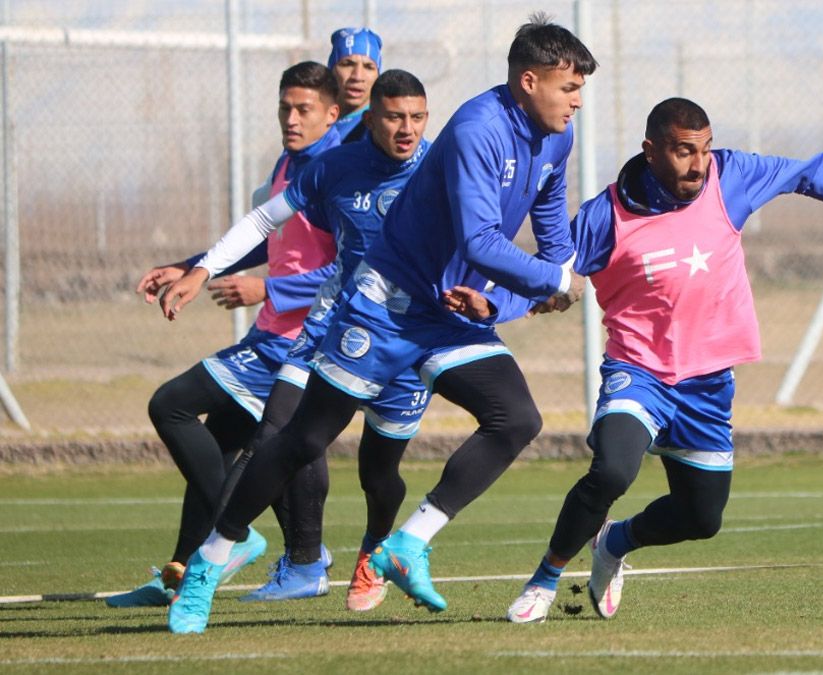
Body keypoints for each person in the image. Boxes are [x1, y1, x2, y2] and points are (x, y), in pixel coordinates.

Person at [158, 14, 597, 634]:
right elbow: (478, 239)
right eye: (568, 89)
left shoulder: (555, 136)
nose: (577, 102)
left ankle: (406, 544)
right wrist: (550, 283)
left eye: (580, 90)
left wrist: (555, 275)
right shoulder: (477, 129)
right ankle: (209, 562)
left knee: (516, 418)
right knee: (304, 440)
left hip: (446, 311)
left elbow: (549, 220)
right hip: (386, 304)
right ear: (529, 81)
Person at [499, 98, 823, 624]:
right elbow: (549, 273)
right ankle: (544, 580)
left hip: (707, 384)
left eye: (705, 149)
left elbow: (808, 173)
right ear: (651, 151)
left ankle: (613, 543)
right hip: (639, 372)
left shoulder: (728, 177)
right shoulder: (608, 215)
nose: (698, 164)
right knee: (613, 469)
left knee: (702, 516)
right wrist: (497, 304)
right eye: (684, 151)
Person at [182, 69, 434, 611]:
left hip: (405, 335)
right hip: (324, 329)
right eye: (394, 117)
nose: (406, 128)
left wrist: (523, 285)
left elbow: (482, 231)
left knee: (382, 471)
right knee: (278, 433)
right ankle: (217, 555)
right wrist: (199, 269)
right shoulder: (329, 168)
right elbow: (266, 227)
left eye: (416, 117)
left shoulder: (439, 167)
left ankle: (374, 549)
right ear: (369, 120)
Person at [106, 61, 342, 608]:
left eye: (303, 109)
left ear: (332, 115)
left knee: (170, 405)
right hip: (271, 336)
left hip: (298, 345)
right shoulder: (289, 165)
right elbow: (266, 242)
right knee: (215, 446)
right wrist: (193, 268)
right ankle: (182, 574)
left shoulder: (336, 174)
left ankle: (236, 534)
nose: (290, 117)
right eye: (285, 107)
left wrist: (269, 292)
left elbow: (353, 267)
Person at [328, 27, 382, 143]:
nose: (357, 76)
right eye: (347, 64)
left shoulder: (381, 130)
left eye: (368, 67)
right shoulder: (312, 123)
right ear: (331, 70)